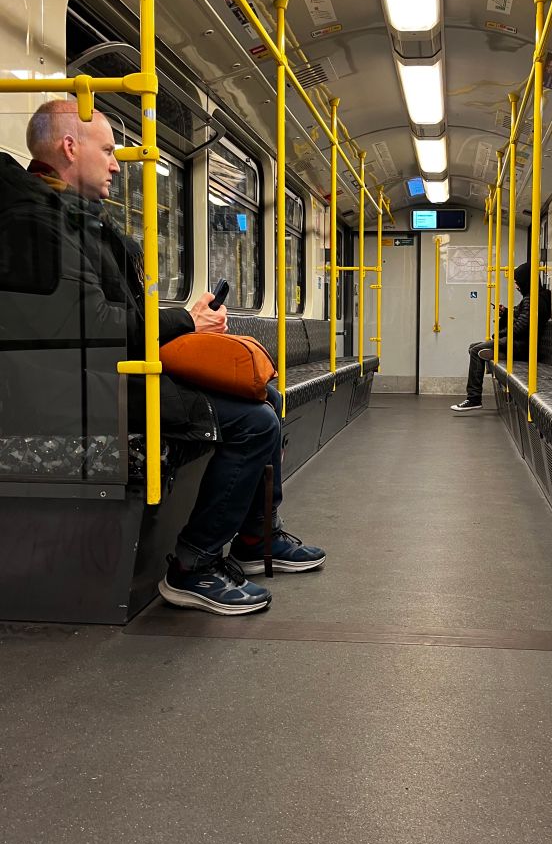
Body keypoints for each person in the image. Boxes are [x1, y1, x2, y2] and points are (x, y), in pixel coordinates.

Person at [0, 99, 325, 615]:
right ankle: (192, 566)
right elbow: (94, 331)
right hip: (65, 388)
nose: (115, 163)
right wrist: (187, 322)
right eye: (107, 150)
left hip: (95, 372)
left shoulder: (75, 219)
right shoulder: (37, 226)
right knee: (254, 422)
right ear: (69, 147)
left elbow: (108, 319)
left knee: (266, 393)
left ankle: (255, 538)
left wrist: (183, 320)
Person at [451, 261, 552, 413]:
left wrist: (498, 336)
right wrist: (505, 313)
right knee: (475, 347)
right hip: (522, 343)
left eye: (517, 283)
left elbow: (520, 328)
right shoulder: (534, 298)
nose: (516, 287)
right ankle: (494, 353)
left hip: (523, 347)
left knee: (476, 350)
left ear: (525, 281)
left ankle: (474, 399)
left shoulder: (532, 300)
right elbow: (519, 315)